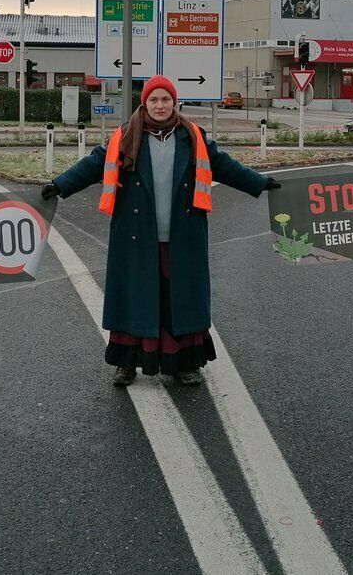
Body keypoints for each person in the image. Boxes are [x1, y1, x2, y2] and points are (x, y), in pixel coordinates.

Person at [42, 76, 278, 387]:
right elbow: (93, 164)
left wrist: (261, 183)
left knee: (178, 299)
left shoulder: (192, 137)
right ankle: (126, 364)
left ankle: (184, 364)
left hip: (183, 234)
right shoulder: (125, 136)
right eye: (154, 100)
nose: (160, 105)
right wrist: (59, 185)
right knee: (133, 298)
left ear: (174, 103)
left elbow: (223, 165)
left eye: (166, 100)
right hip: (136, 235)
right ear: (145, 103)